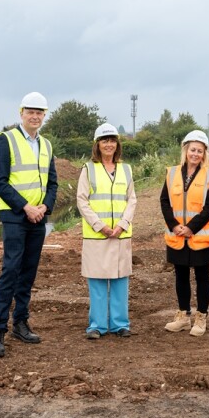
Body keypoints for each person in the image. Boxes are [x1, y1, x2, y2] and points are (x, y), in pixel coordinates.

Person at [0, 92, 58, 357]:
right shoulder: (5, 140)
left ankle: (20, 322)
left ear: (44, 115)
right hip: (16, 217)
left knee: (28, 272)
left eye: (40, 112)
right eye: (31, 111)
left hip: (38, 218)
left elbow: (52, 183)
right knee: (11, 271)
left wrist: (45, 207)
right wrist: (25, 207)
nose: (35, 116)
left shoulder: (47, 145)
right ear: (21, 113)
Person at [76, 123, 137, 339]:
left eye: (112, 140)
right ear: (97, 144)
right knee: (98, 281)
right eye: (105, 140)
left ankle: (121, 323)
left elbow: (132, 200)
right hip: (97, 236)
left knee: (121, 280)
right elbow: (82, 201)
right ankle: (97, 325)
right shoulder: (88, 169)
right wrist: (99, 225)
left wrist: (122, 224)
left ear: (117, 144)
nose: (109, 144)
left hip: (120, 235)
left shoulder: (126, 169)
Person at [160, 130, 209, 337]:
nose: (196, 154)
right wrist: (175, 225)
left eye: (200, 151)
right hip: (176, 235)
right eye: (193, 150)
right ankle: (183, 316)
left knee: (202, 276)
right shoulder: (172, 173)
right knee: (181, 275)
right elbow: (165, 201)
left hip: (199, 235)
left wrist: (190, 228)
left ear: (204, 154)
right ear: (186, 150)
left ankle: (201, 317)